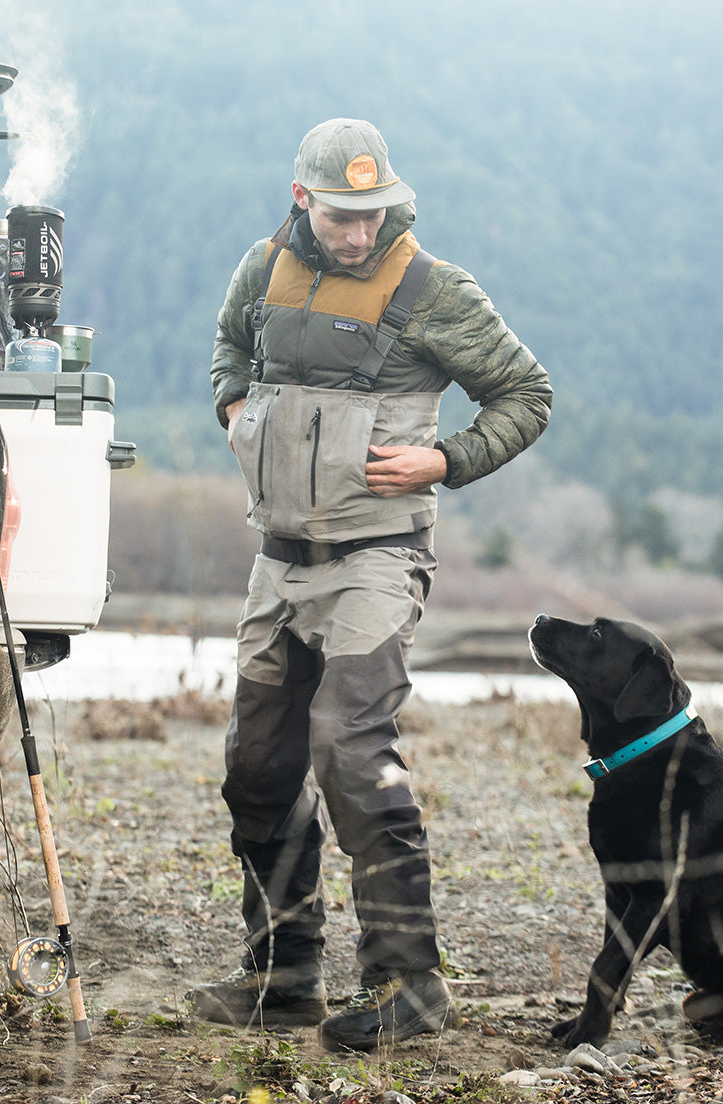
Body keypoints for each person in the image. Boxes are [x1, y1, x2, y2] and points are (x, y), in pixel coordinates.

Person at [191, 117, 552, 1052]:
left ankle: (409, 985)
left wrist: (446, 459)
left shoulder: (436, 291)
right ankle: (285, 974)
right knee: (257, 766)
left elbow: (527, 395)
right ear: (304, 200)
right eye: (344, 216)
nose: (360, 232)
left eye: (375, 213)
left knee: (351, 747)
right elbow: (230, 348)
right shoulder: (260, 267)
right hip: (279, 557)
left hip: (379, 557)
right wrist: (232, 406)